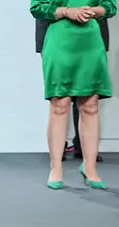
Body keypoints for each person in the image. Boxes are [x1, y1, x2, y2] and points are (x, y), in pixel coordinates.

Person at [30, 0, 115, 190]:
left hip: (90, 41)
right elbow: (37, 6)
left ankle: (89, 166)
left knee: (90, 105)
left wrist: (94, 10)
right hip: (59, 42)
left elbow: (110, 5)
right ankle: (56, 167)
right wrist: (66, 11)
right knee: (59, 104)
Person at [36, 15, 108, 163]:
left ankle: (83, 149)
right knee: (59, 100)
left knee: (87, 100)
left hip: (89, 43)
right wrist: (41, 44)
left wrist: (103, 43)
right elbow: (42, 11)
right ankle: (58, 150)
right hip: (58, 41)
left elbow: (101, 9)